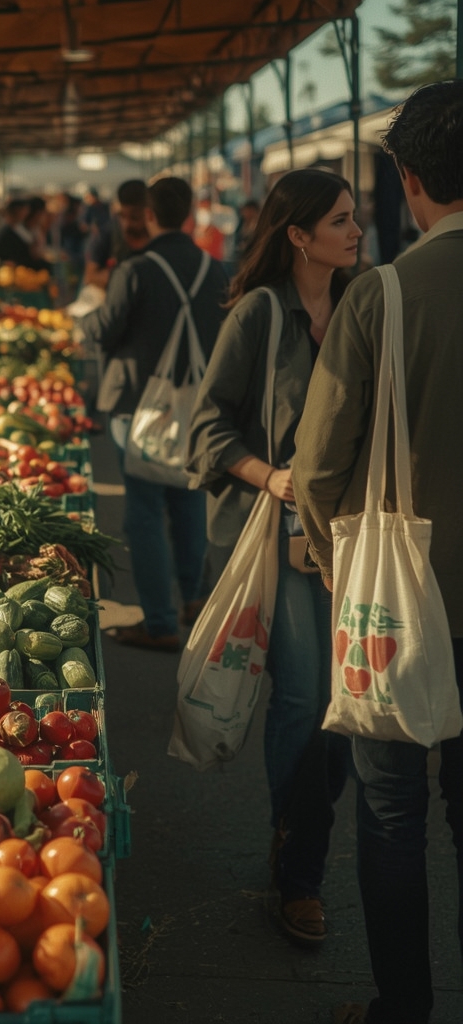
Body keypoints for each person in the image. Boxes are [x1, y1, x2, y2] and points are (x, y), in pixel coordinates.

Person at [292, 82, 463, 1024]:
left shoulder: (382, 297)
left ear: (409, 181)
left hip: (400, 607)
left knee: (393, 813)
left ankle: (404, 1007)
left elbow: (319, 468)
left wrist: (328, 559)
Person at [187, 167, 361, 948]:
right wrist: (272, 476)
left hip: (357, 537)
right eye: (340, 220)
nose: (356, 231)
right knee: (302, 699)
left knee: (351, 706)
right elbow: (206, 428)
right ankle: (299, 875)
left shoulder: (364, 305)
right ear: (298, 235)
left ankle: (299, 832)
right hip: (284, 535)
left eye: (356, 217)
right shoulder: (259, 313)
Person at [79, 177, 228, 651]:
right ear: (187, 214)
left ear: (148, 214)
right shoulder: (215, 269)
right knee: (186, 502)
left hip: (139, 407)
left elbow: (103, 331)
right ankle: (195, 601)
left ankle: (160, 621)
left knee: (143, 514)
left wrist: (83, 319)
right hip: (196, 406)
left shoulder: (136, 271)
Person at [84, 179, 149, 288]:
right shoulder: (107, 233)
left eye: (135, 217)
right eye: (122, 216)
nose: (127, 224)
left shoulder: (154, 234)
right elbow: (90, 276)